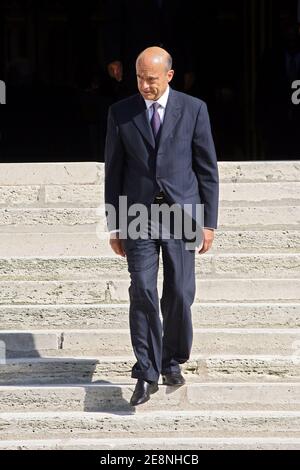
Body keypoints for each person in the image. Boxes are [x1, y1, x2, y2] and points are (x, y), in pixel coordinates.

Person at [104, 47, 219, 406]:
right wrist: (114, 223)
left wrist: (209, 222)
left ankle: (172, 359)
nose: (144, 86)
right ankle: (146, 371)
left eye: (151, 79)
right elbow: (113, 171)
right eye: (139, 78)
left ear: (169, 76)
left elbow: (207, 169)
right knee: (141, 289)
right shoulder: (121, 113)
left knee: (180, 292)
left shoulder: (194, 109)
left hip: (182, 213)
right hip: (137, 214)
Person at [102, 0, 196, 97]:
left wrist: (189, 67)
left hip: (173, 61)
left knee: (171, 103)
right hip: (135, 59)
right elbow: (113, 21)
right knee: (135, 104)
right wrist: (113, 57)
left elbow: (186, 28)